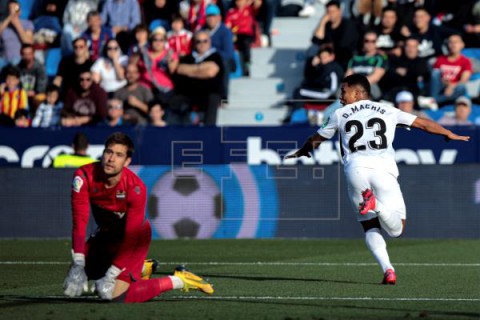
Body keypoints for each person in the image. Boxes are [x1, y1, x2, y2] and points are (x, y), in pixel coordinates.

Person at [286, 74, 469, 284]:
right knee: (397, 230)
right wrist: (447, 133)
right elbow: (422, 123)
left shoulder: (340, 113)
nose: (340, 96)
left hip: (356, 171)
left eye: (343, 92)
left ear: (357, 92)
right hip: (383, 171)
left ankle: (388, 269)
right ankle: (377, 206)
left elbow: (318, 138)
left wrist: (304, 149)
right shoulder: (387, 109)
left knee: (370, 226)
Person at [63, 132, 214, 302]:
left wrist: (113, 273)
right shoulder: (83, 176)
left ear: (127, 162)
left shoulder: (135, 189)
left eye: (119, 155)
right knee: (73, 282)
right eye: (109, 152)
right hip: (106, 236)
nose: (111, 159)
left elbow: (131, 237)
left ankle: (179, 280)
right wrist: (78, 261)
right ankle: (143, 269)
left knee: (114, 296)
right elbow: (80, 221)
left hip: (134, 240)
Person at [172, 30, 225, 125]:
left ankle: (209, 133)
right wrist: (201, 69)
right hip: (188, 93)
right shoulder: (187, 58)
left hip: (208, 93)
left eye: (205, 41)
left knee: (213, 99)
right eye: (198, 41)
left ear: (209, 42)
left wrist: (190, 71)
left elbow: (211, 73)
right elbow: (179, 70)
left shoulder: (216, 57)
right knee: (174, 102)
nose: (202, 44)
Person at [310, 0, 359, 71]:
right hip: (326, 56)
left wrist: (327, 52)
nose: (330, 14)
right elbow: (316, 40)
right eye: (328, 12)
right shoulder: (326, 25)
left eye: (333, 12)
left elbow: (343, 47)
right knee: (312, 57)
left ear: (339, 11)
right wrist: (322, 22)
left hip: (343, 59)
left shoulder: (348, 25)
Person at [429, 34, 472, 106]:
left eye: (456, 42)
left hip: (454, 88)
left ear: (462, 45)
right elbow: (435, 78)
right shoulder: (440, 59)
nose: (453, 44)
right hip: (441, 86)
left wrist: (451, 86)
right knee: (435, 72)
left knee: (461, 87)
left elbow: (463, 80)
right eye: (451, 42)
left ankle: (433, 100)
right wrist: (446, 83)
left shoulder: (465, 61)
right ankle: (434, 100)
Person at [345, 30, 387, 100]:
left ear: (377, 42)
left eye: (373, 41)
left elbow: (375, 77)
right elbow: (347, 77)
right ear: (363, 42)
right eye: (367, 41)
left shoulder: (380, 58)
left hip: (371, 89)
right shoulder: (354, 59)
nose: (369, 43)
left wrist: (357, 86)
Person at [0, 0, 34, 67]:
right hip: (3, 59)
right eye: (10, 9)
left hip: (18, 59)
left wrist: (17, 24)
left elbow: (28, 42)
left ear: (20, 11)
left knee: (16, 63)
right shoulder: (3, 25)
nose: (13, 12)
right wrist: (9, 18)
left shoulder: (27, 24)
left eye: (15, 9)